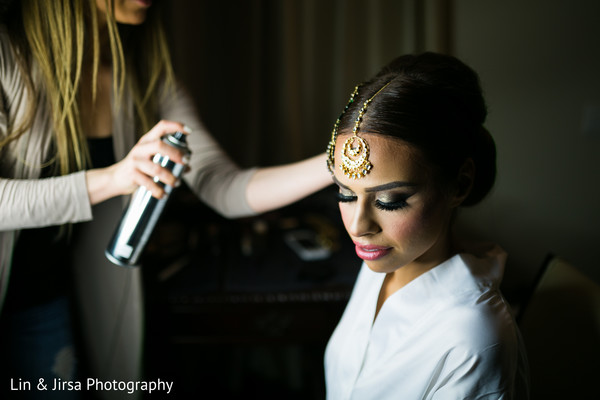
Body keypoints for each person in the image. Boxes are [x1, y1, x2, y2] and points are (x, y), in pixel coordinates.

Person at [0, 0, 331, 398]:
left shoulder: (146, 73)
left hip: (50, 297)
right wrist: (111, 179)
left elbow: (223, 187)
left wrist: (339, 162)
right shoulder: (7, 54)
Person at [323, 52, 529, 399]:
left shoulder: (473, 340)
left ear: (459, 185)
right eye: (345, 193)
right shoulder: (381, 259)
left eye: (390, 201)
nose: (359, 226)